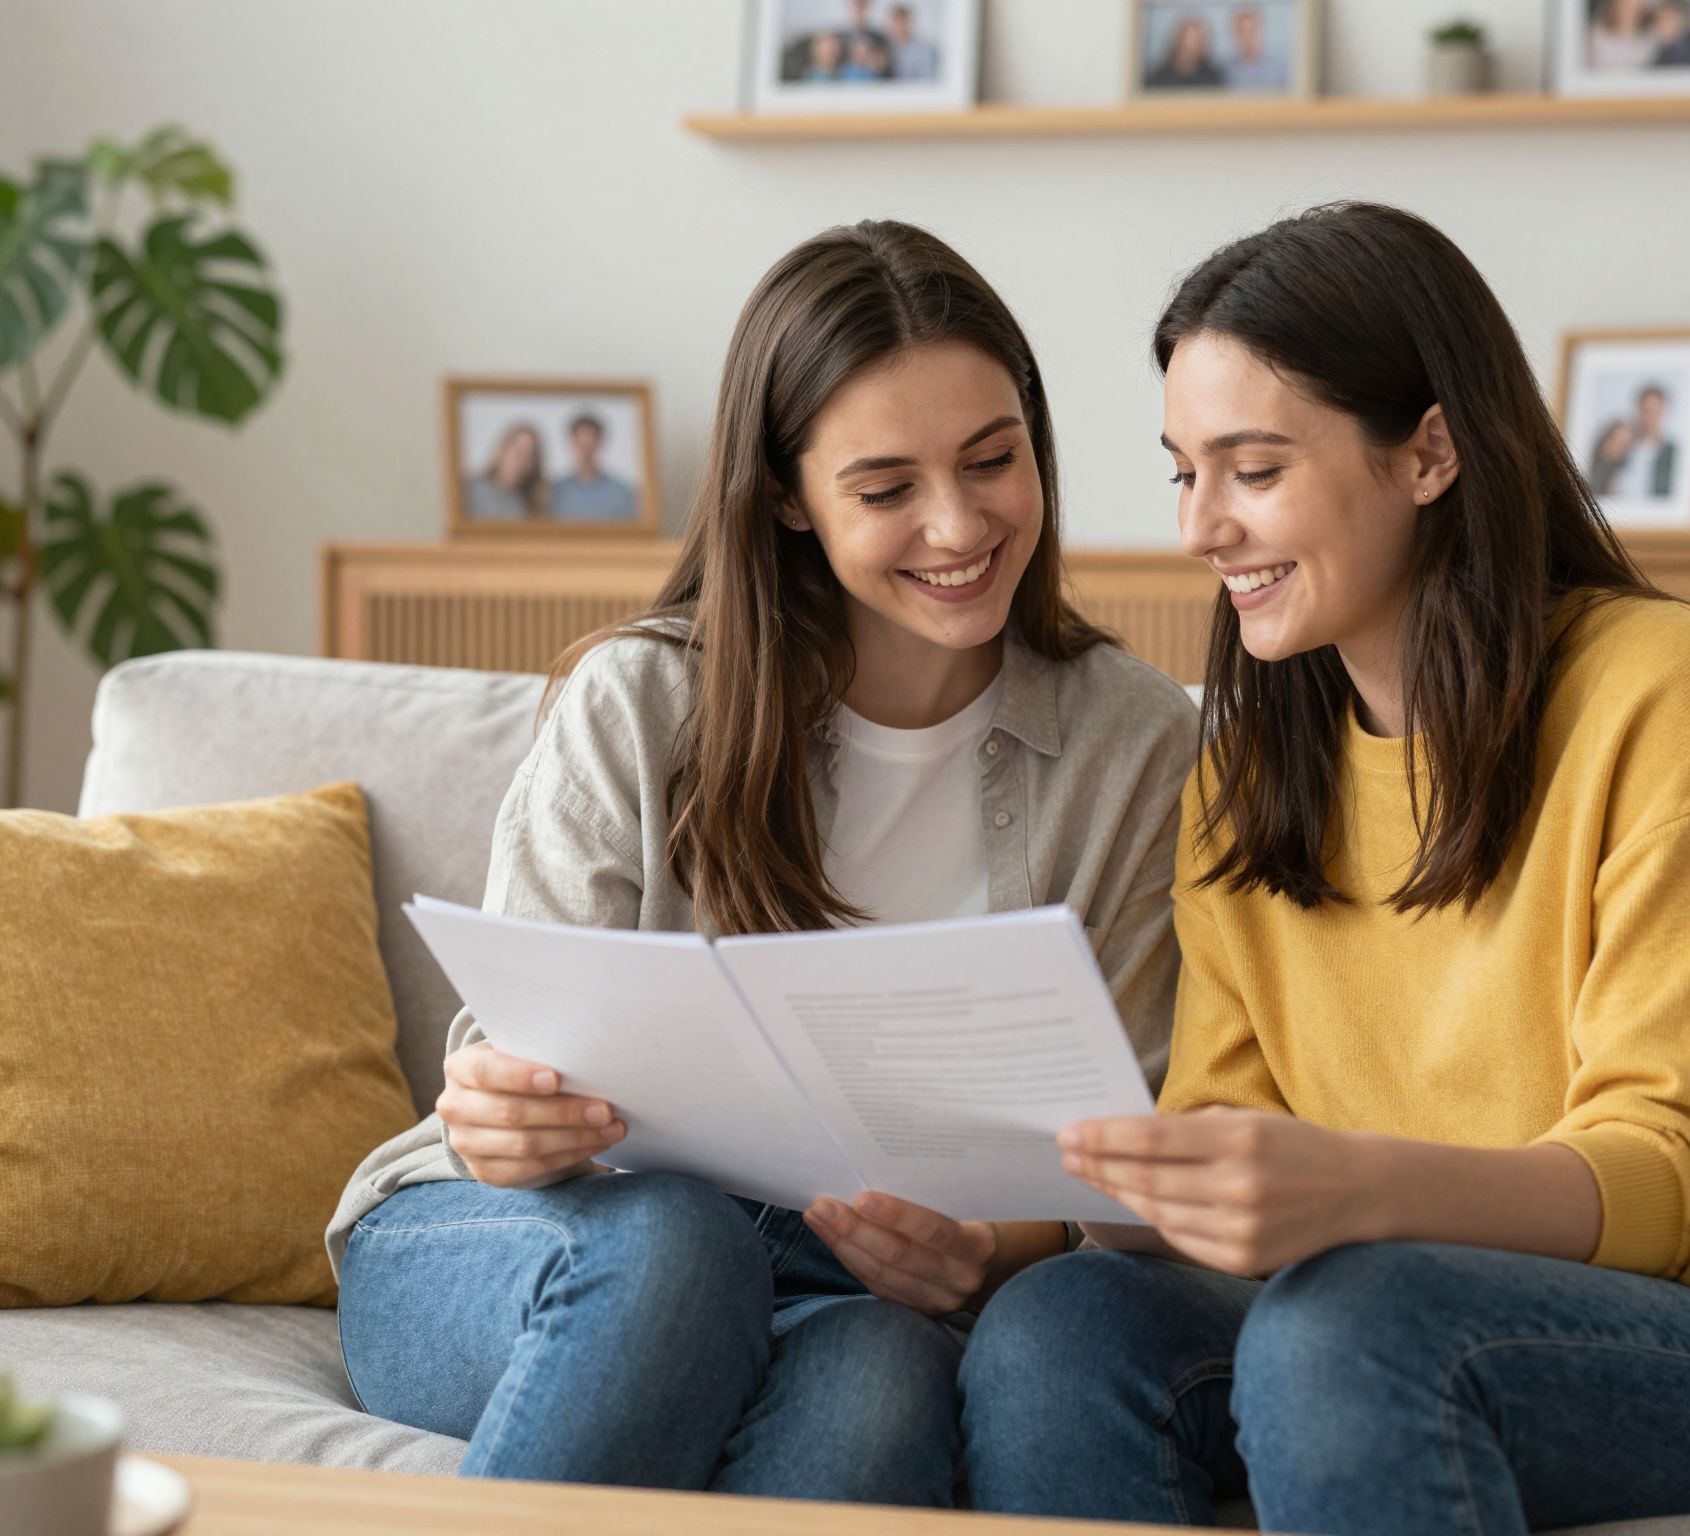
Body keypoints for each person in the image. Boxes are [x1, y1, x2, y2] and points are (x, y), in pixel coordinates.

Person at [959, 202, 1690, 1535]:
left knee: (1349, 1323)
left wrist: (1355, 1185)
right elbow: (1224, 1129)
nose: (1202, 529)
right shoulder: (1248, 781)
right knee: (1060, 1325)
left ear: (1429, 451)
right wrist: (1116, 1185)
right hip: (1399, 1313)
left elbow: (1682, 1185)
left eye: (1252, 471)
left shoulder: (1661, 689)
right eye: (1181, 474)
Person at [329, 220, 1197, 1505]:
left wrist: (990, 1251)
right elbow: (501, 1065)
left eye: (991, 460)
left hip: (851, 1289)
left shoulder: (1133, 741)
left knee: (886, 1381)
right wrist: (502, 1110)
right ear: (787, 495)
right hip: (530, 1239)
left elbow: (1128, 1141)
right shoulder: (641, 698)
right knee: (680, 1248)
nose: (957, 524)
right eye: (886, 487)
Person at [550, 414, 638, 522]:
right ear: (572, 443)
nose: (585, 451)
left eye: (590, 444)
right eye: (581, 444)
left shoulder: (623, 494)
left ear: (599, 443)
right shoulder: (555, 492)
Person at [464, 423, 546, 520]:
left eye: (528, 454)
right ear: (503, 450)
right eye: (517, 450)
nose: (521, 459)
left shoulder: (532, 504)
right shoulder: (471, 489)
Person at [1615, 383, 1677, 498]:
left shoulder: (1672, 454)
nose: (1650, 418)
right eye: (1647, 411)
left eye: (1656, 413)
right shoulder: (1621, 448)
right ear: (1638, 410)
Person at [1145, 17, 1225, 90]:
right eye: (1187, 38)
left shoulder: (1213, 77)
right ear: (1177, 40)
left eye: (1197, 40)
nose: (1191, 46)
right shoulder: (1158, 75)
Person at [1221, 7, 1288, 92]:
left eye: (1252, 30)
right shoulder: (1224, 71)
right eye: (1242, 31)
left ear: (1260, 32)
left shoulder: (1279, 71)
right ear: (1234, 34)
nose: (1248, 37)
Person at [1587, 0, 1657, 70]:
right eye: (1624, 5)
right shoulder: (1595, 36)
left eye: (1633, 7)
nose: (1628, 11)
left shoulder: (1652, 38)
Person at [1651, 0, 1690, 66]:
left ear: (1682, 19)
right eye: (1658, 20)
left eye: (1666, 19)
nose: (1661, 25)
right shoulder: (1664, 50)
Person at [887, 3, 939, 81]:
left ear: (910, 23)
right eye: (896, 22)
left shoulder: (924, 50)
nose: (900, 27)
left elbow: (928, 80)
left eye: (903, 22)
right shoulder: (885, 48)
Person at [1585, 416, 1633, 495]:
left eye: (1625, 442)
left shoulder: (1625, 473)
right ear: (1606, 441)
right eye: (1618, 440)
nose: (1622, 446)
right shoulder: (1597, 471)